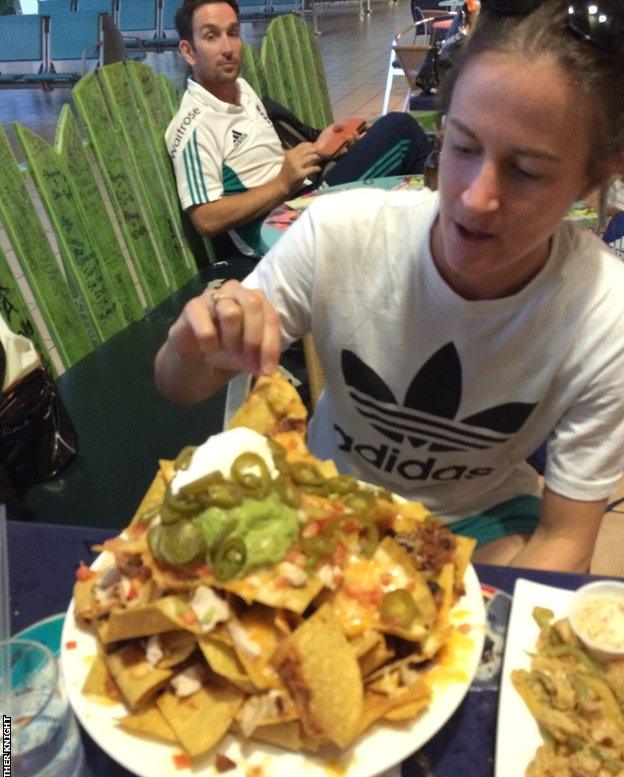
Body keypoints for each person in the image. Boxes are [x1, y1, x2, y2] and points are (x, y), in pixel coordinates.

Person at [155, 0, 624, 573]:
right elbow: (180, 386)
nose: (476, 198)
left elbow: (565, 538)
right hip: (330, 500)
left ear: (594, 177)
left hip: (486, 520)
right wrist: (191, 342)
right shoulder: (339, 235)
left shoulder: (606, 312)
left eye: (527, 171)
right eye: (463, 147)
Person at [166, 0, 434, 255]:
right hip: (279, 230)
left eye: (233, 33)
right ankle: (442, 237)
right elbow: (206, 219)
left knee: (403, 164)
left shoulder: (241, 89)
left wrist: (320, 148)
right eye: (211, 36)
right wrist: (283, 183)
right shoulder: (195, 125)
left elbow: (260, 164)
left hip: (303, 195)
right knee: (401, 132)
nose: (228, 47)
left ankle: (428, 243)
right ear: (188, 51)